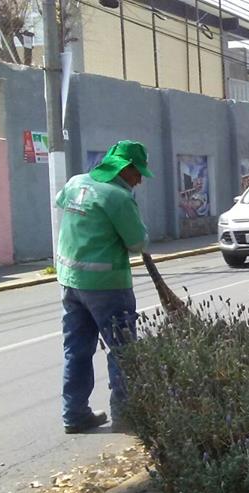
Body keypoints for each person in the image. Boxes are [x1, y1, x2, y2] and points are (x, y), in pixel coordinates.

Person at [56, 141, 152, 434]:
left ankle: (74, 414)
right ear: (125, 169)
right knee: (123, 352)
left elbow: (60, 201)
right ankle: (124, 415)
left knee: (77, 350)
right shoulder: (119, 197)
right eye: (138, 173)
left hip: (71, 283)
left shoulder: (75, 183)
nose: (140, 179)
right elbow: (137, 243)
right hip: (107, 286)